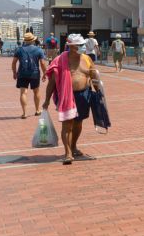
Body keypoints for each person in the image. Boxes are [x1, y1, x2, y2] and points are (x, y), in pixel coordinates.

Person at [43, 33, 104, 165]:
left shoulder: (87, 59)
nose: (83, 47)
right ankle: (68, 153)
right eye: (80, 45)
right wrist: (47, 99)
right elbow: (52, 82)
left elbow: (94, 77)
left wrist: (99, 93)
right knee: (67, 125)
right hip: (66, 96)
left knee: (78, 123)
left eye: (83, 45)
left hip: (84, 95)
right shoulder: (59, 60)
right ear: (71, 46)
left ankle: (74, 146)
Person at [12, 32, 46, 118]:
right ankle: (37, 110)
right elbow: (42, 63)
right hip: (34, 73)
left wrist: (14, 72)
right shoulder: (39, 50)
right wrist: (45, 73)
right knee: (36, 91)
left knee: (23, 92)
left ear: (25, 41)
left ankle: (24, 113)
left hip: (22, 73)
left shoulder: (19, 49)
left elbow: (14, 62)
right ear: (33, 40)